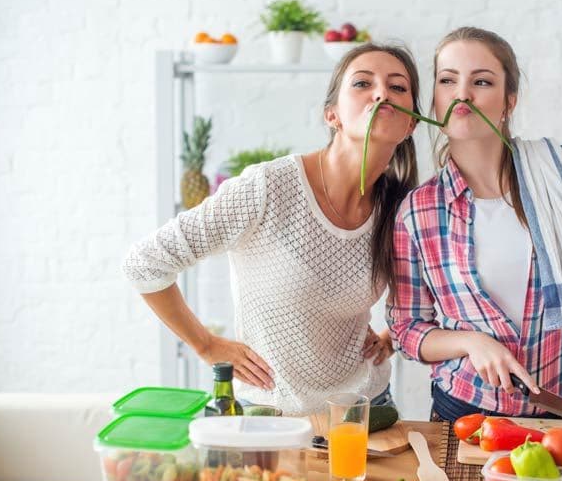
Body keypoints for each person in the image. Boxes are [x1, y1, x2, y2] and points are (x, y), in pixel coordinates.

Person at [123, 43, 420, 416]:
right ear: (333, 115)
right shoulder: (268, 187)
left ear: (410, 124)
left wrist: (392, 336)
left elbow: (435, 294)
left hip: (365, 410)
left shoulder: (401, 206)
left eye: (397, 87)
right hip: (270, 414)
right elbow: (144, 262)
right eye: (363, 83)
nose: (381, 94)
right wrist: (206, 345)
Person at [387, 27, 562, 434]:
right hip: (466, 417)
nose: (463, 93)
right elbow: (407, 329)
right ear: (435, 100)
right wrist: (471, 342)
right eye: (448, 80)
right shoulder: (418, 211)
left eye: (482, 81)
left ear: (509, 101)